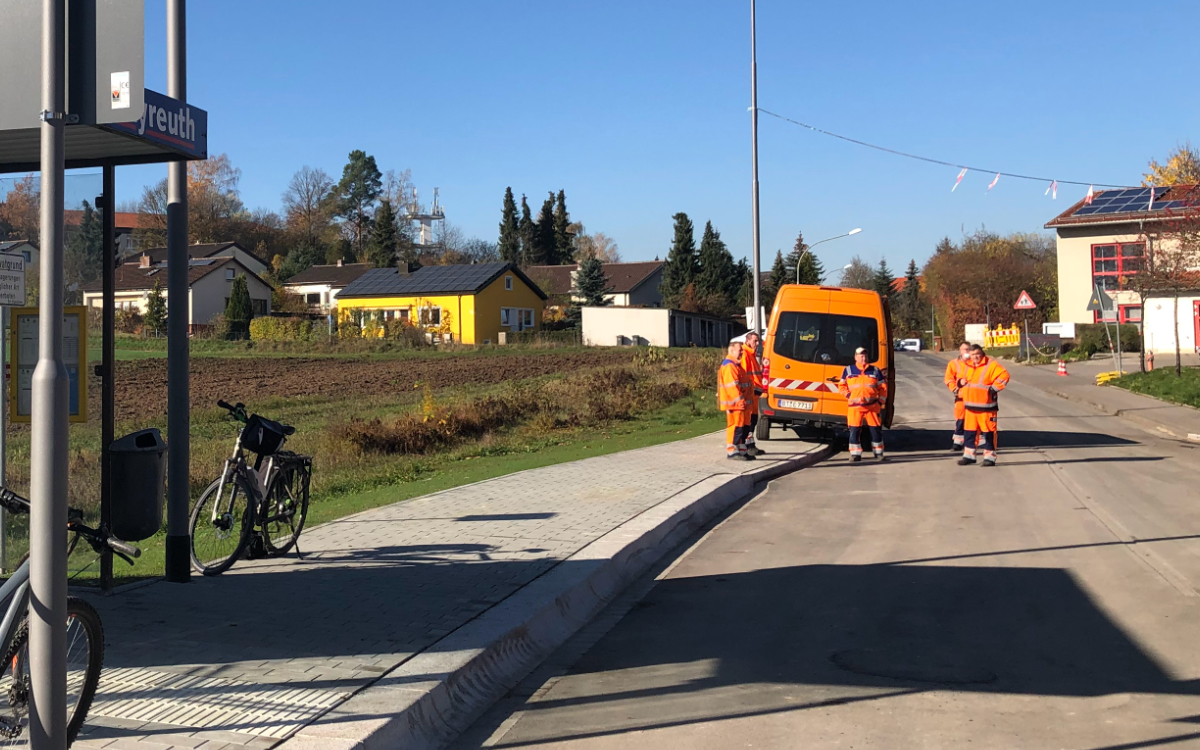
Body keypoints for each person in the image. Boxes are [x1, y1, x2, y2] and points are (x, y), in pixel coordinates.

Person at [956, 344, 1010, 466]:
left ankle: (989, 457)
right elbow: (960, 378)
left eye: (977, 354)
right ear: (969, 354)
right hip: (970, 407)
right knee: (969, 433)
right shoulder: (967, 366)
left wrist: (993, 389)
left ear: (982, 354)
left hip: (986, 407)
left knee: (989, 433)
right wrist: (960, 382)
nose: (975, 357)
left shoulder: (991, 365)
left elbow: (1004, 376)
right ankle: (969, 456)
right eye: (973, 354)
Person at [838, 346, 887, 462]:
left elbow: (883, 388)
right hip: (855, 408)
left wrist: (880, 402)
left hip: (872, 407)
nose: (863, 358)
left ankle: (878, 453)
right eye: (861, 355)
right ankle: (855, 454)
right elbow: (841, 386)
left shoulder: (875, 371)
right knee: (854, 431)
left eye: (865, 355)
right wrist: (850, 396)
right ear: (855, 357)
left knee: (875, 431)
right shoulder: (848, 370)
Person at [717, 339, 754, 461]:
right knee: (735, 428)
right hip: (735, 404)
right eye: (740, 350)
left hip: (741, 405)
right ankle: (732, 451)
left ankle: (741, 450)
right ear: (732, 350)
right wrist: (740, 401)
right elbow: (732, 387)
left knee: (742, 428)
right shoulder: (730, 366)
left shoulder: (736, 365)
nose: (742, 352)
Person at [740, 331, 766, 456]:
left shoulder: (751, 355)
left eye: (758, 341)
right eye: (755, 341)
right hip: (750, 394)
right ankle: (746, 446)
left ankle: (750, 445)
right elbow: (744, 376)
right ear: (748, 341)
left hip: (755, 394)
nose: (757, 343)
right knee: (749, 422)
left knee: (752, 421)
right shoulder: (745, 354)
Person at [944, 342, 972, 451]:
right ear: (960, 351)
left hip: (975, 397)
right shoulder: (953, 364)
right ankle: (958, 442)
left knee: (974, 420)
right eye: (965, 349)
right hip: (961, 396)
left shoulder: (976, 363)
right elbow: (949, 379)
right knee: (960, 420)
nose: (966, 352)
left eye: (969, 349)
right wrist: (955, 388)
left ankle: (973, 443)